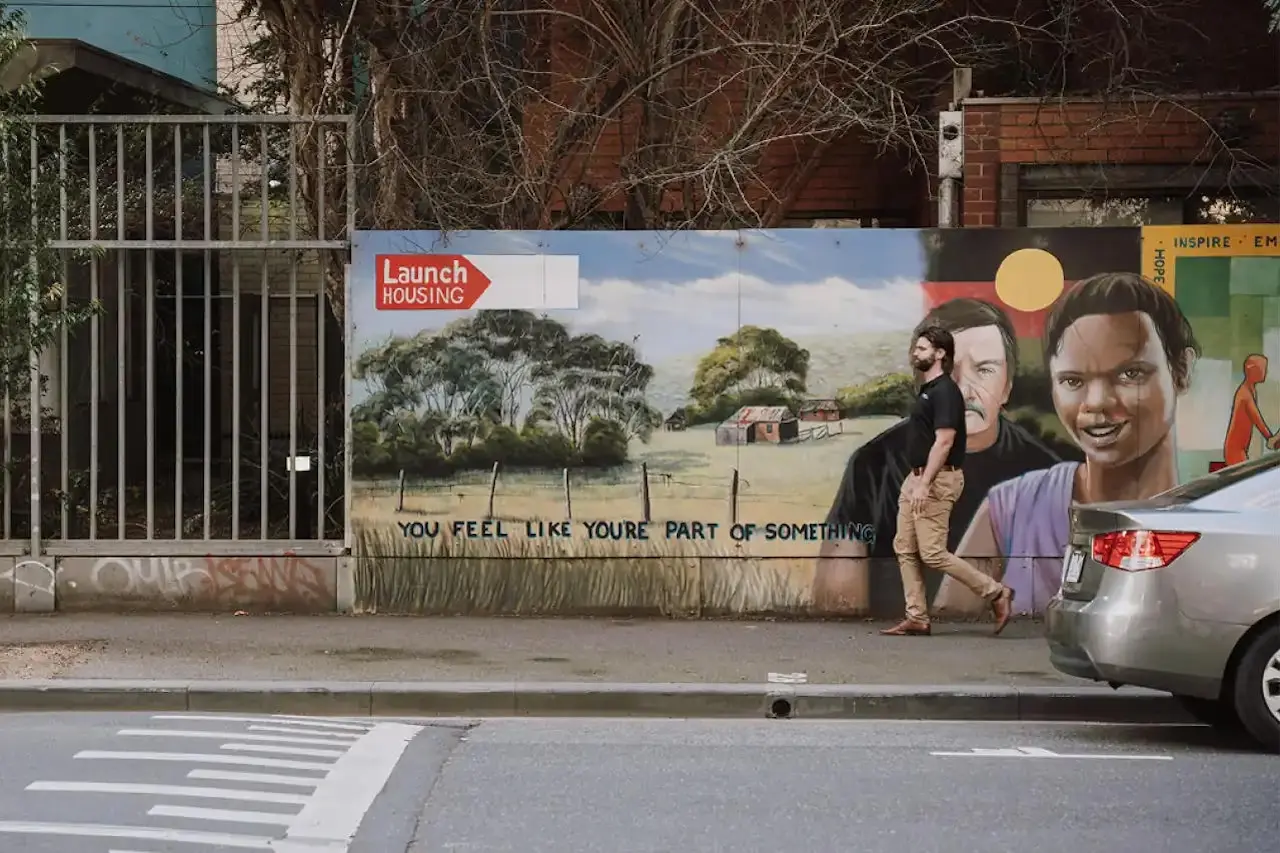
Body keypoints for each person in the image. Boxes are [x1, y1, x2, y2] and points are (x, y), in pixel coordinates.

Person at [935, 271, 1201, 616]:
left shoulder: (1213, 520)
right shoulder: (1013, 510)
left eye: (1130, 374)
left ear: (1182, 370)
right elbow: (952, 631)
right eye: (1073, 380)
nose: (1097, 402)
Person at [812, 297, 1063, 614]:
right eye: (947, 371)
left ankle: (989, 595)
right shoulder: (873, 464)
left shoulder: (1044, 473)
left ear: (1007, 386)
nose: (964, 390)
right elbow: (837, 601)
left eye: (984, 370)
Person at [881, 324, 1017, 636]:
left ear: (940, 354)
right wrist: (917, 481)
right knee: (904, 546)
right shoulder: (928, 390)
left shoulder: (945, 392)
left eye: (923, 348)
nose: (916, 353)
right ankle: (917, 616)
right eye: (917, 348)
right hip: (916, 479)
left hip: (937, 480)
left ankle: (996, 593)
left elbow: (944, 441)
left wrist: (926, 483)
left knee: (932, 553)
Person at [1223, 354, 1280, 467]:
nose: (1266, 372)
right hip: (1235, 450)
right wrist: (1270, 438)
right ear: (1255, 371)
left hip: (1240, 449)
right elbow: (1257, 419)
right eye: (1264, 369)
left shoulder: (1251, 390)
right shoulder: (1245, 394)